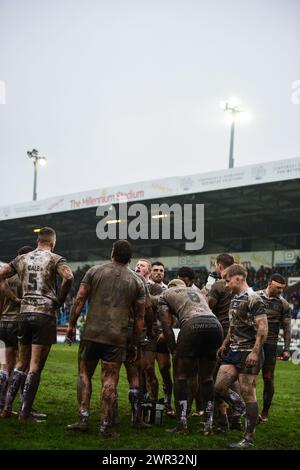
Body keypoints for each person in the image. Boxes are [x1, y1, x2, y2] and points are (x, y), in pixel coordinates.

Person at [66, 240, 145, 438]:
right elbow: (139, 318)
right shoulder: (137, 281)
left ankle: (83, 419)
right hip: (116, 336)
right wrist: (134, 344)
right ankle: (105, 427)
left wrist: (71, 324)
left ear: (112, 253)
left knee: (84, 373)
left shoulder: (94, 271)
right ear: (129, 258)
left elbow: (80, 298)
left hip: (92, 332)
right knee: (109, 380)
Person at [0, 227, 73, 420]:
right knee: (34, 366)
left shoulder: (21, 259)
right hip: (44, 314)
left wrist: (15, 299)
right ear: (53, 242)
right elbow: (69, 277)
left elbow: (1, 275)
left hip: (23, 315)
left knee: (20, 363)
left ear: (37, 240)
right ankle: (24, 413)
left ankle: (6, 409)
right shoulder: (55, 259)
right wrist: (59, 299)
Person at [158, 279, 223, 435]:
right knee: (207, 378)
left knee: (181, 376)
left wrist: (174, 349)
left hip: (192, 325)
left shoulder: (165, 294)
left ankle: (182, 424)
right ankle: (208, 424)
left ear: (171, 286)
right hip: (215, 325)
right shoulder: (198, 292)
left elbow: (166, 327)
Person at [215, 264, 268, 448]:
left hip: (249, 352)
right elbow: (233, 325)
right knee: (219, 387)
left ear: (238, 278)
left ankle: (248, 437)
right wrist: (224, 344)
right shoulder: (234, 298)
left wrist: (255, 352)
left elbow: (263, 328)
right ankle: (247, 412)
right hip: (234, 351)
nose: (226, 284)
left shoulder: (254, 298)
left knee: (248, 393)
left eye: (227, 280)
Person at [0, 246, 33, 412]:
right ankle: (22, 404)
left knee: (6, 365)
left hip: (4, 322)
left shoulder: (5, 277)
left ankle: (2, 401)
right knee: (23, 366)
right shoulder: (26, 276)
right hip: (19, 323)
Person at [257, 274, 291, 421]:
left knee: (268, 378)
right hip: (252, 342)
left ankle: (265, 412)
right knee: (246, 378)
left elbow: (287, 327)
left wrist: (287, 348)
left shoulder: (283, 304)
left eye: (282, 289)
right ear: (269, 283)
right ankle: (243, 410)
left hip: (270, 344)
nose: (280, 291)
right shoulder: (255, 296)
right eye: (278, 288)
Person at [147, 261, 174, 416]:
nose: (158, 273)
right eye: (155, 270)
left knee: (165, 370)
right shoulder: (144, 287)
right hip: (148, 336)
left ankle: (168, 403)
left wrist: (166, 332)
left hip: (163, 336)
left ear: (164, 273)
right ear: (151, 272)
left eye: (161, 271)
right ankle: (150, 402)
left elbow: (173, 314)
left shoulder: (169, 290)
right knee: (148, 370)